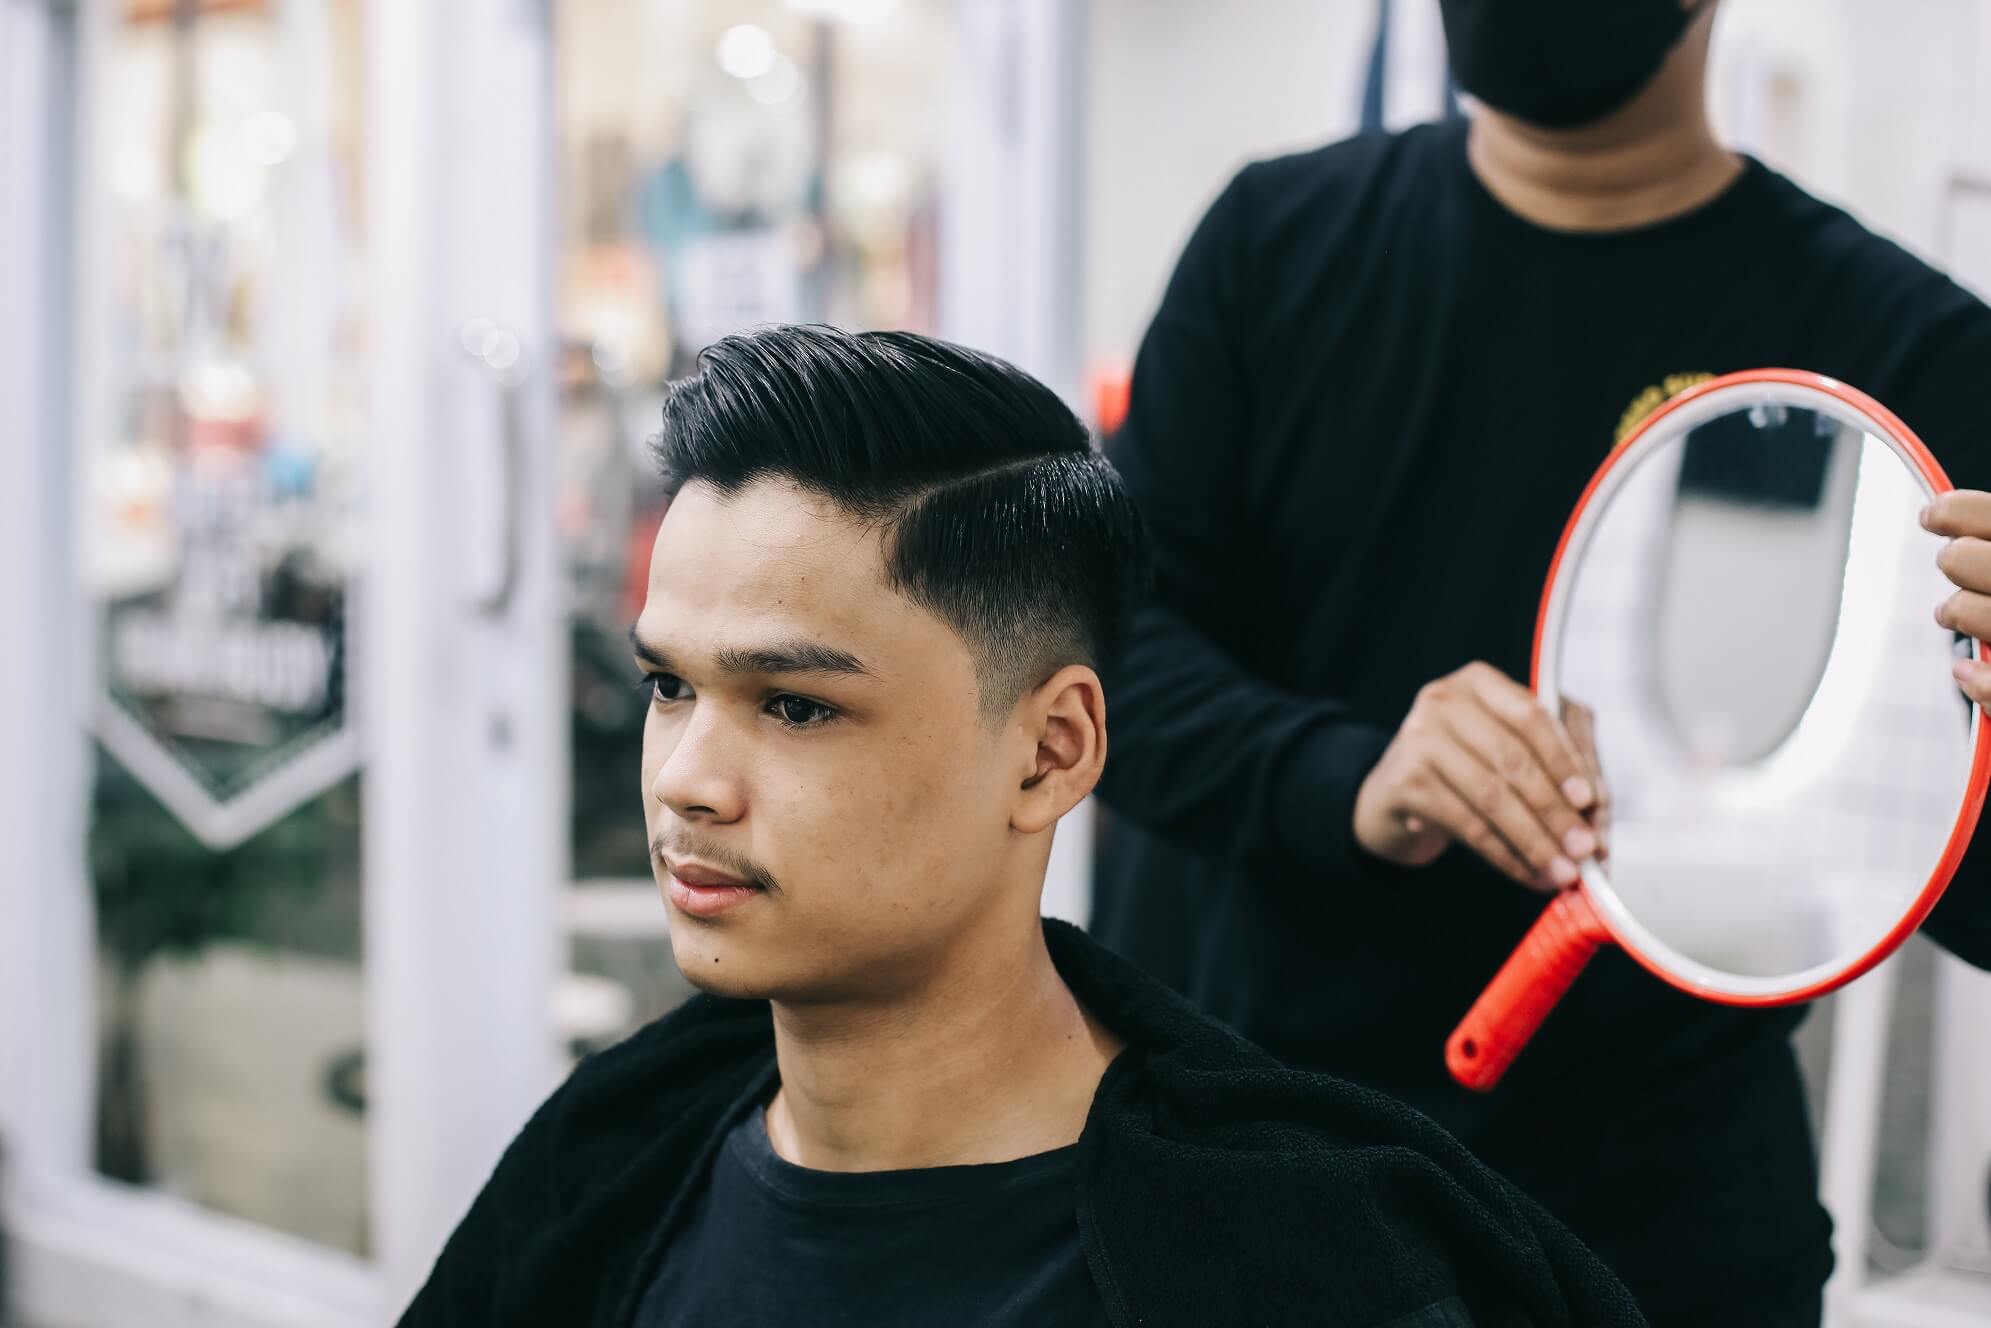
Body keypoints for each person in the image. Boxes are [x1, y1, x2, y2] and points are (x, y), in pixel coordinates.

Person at [396, 326, 1642, 1328]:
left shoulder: (1300, 1261)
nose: (686, 781)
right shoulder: (610, 1165)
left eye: (793, 704)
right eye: (672, 685)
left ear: (1050, 751)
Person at [1089, 2, 1991, 1325]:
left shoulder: (1898, 349)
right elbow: (1106, 657)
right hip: (1260, 1184)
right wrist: (1342, 776)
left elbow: (1941, 876)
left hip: (1656, 1237)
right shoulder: (1272, 247)